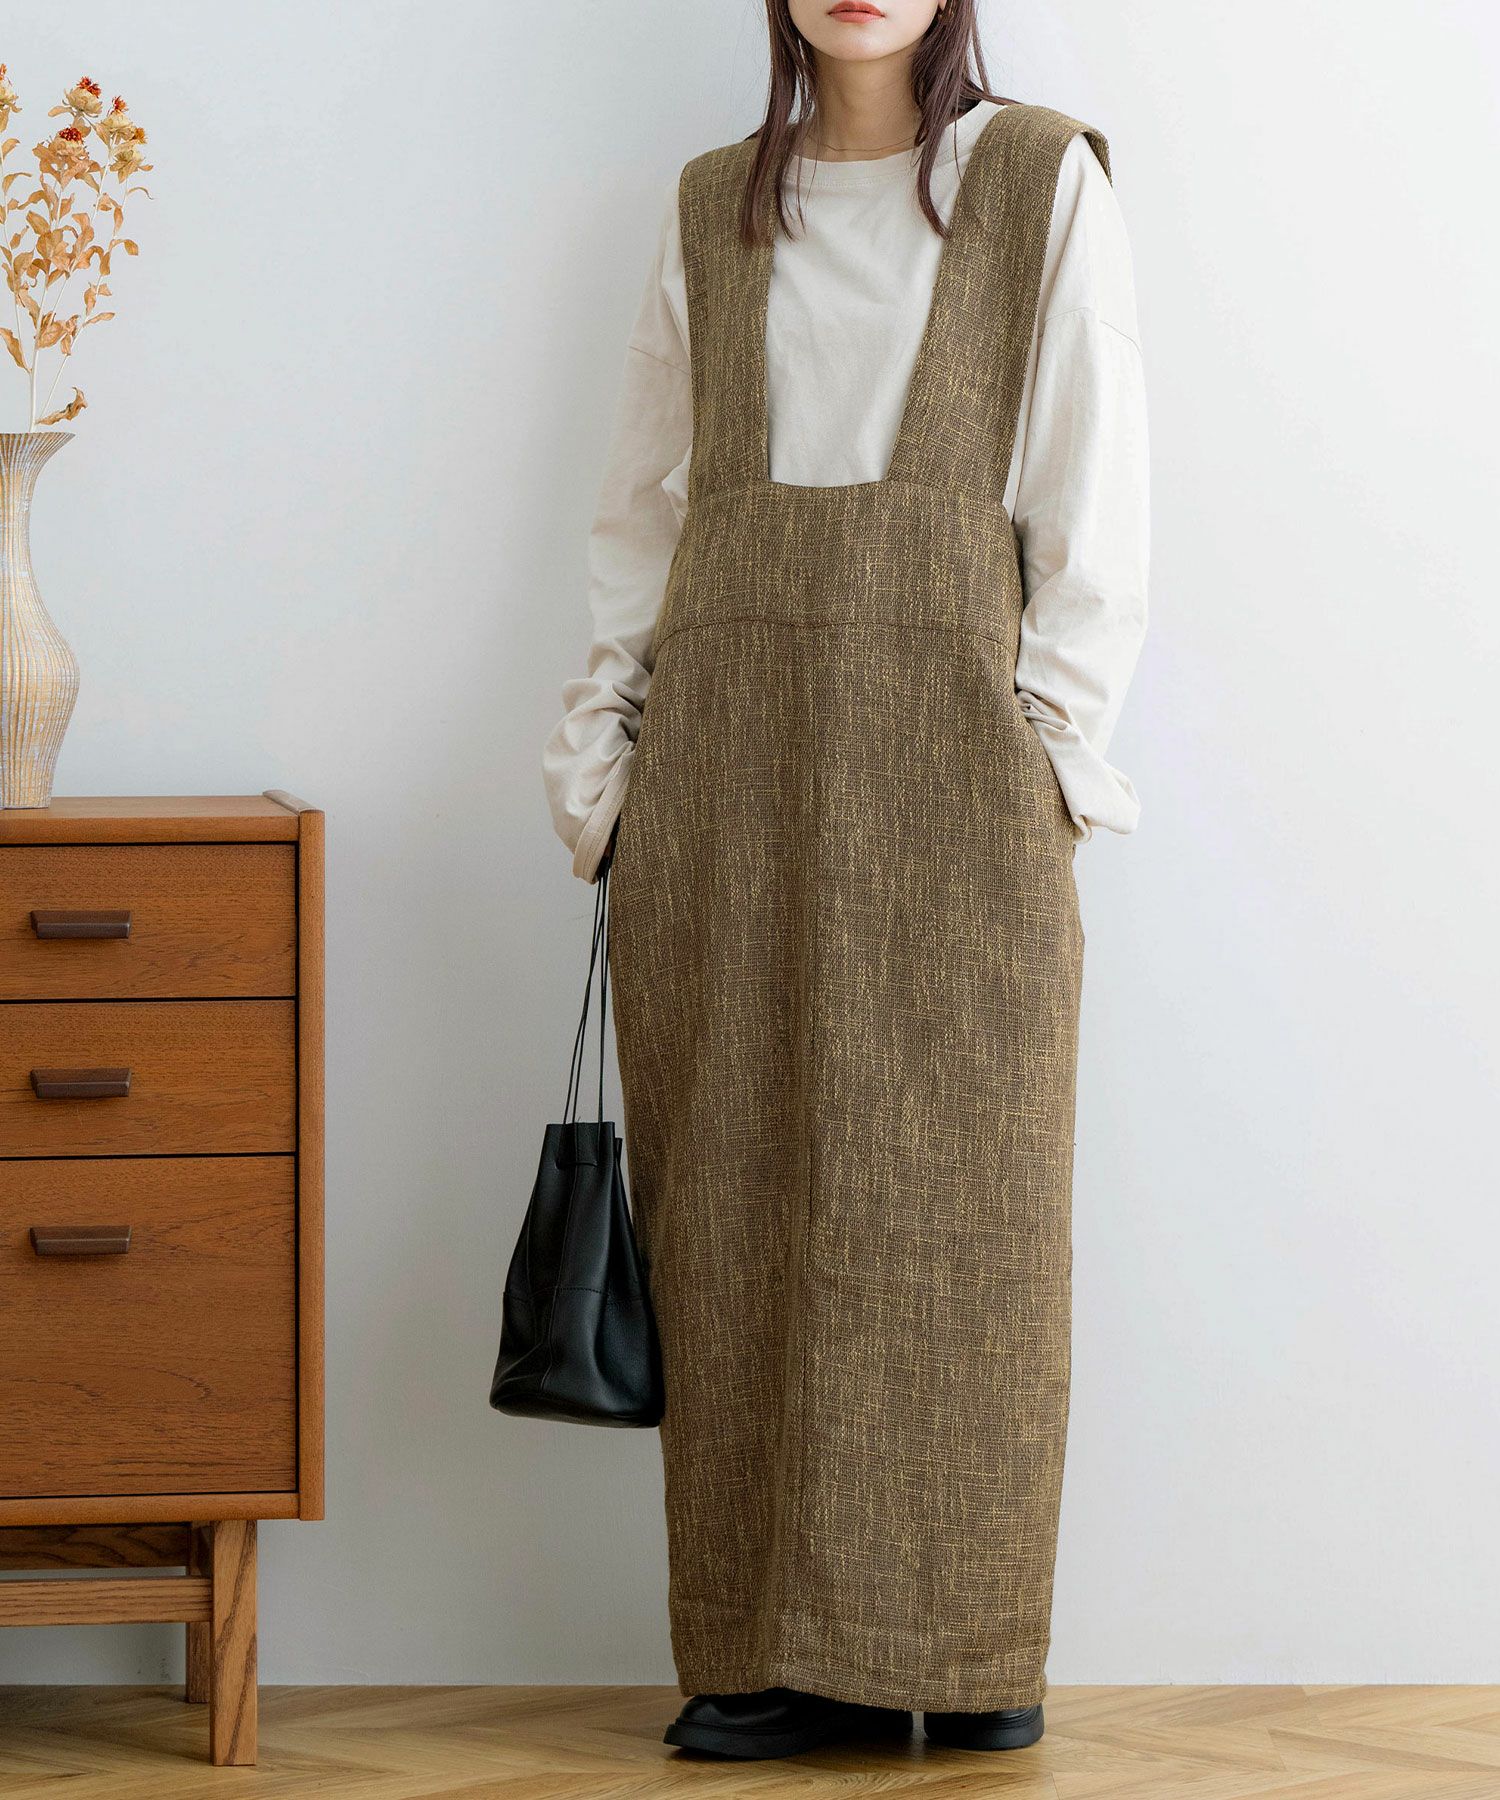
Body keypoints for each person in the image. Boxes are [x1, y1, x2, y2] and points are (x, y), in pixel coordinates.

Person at [543, 0, 1149, 1763]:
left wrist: (1045, 755)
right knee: (732, 1201)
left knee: (962, 1208)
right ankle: (762, 1647)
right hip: (720, 773)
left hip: (960, 766)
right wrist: (602, 772)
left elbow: (1096, 499)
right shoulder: (711, 204)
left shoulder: (1039, 180)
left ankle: (961, 1645)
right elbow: (641, 510)